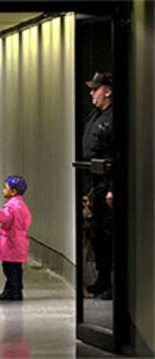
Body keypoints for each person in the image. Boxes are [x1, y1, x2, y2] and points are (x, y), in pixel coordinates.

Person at [82, 71, 115, 299]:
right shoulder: (95, 116)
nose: (92, 93)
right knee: (97, 235)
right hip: (95, 183)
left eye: (96, 89)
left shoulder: (113, 118)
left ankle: (111, 283)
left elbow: (116, 155)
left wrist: (113, 187)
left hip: (106, 183)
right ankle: (102, 280)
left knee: (107, 233)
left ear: (108, 90)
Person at [0, 176, 32, 301]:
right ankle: (13, 290)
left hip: (11, 242)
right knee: (17, 268)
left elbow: (3, 217)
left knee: (8, 268)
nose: (3, 190)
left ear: (13, 192)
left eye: (5, 188)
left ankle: (14, 291)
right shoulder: (23, 206)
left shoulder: (12, 207)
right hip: (21, 241)